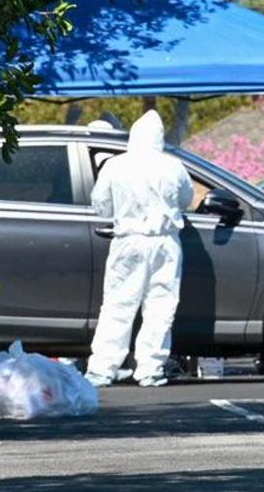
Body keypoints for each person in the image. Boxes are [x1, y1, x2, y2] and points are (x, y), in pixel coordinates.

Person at [84, 110, 194, 388]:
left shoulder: (115, 166)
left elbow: (101, 206)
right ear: (159, 138)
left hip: (128, 241)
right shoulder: (173, 166)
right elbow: (186, 200)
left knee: (118, 304)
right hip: (165, 243)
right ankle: (150, 368)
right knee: (160, 306)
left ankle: (102, 368)